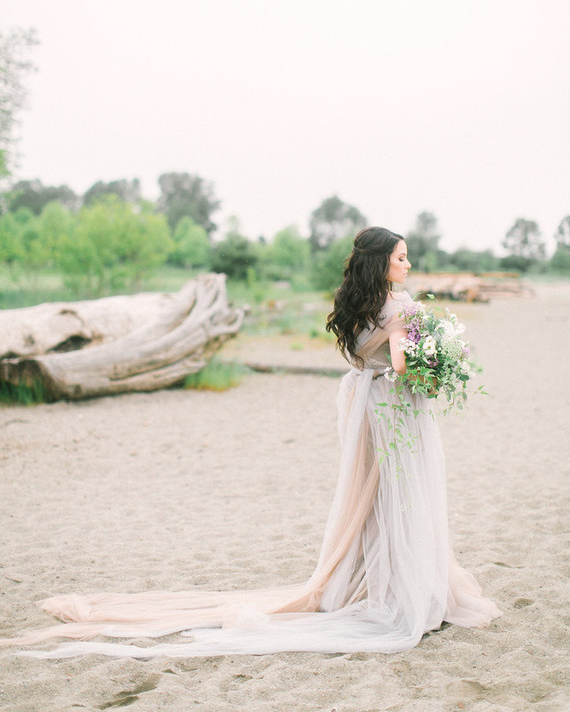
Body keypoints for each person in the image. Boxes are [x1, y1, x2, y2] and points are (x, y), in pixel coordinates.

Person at [5, 226, 500, 659]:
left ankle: (378, 582)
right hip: (395, 406)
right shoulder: (404, 308)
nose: (408, 264)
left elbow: (359, 361)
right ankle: (407, 590)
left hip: (367, 408)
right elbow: (397, 364)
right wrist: (432, 369)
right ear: (382, 263)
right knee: (404, 494)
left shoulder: (356, 306)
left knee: (371, 499)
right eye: (401, 257)